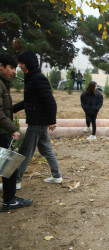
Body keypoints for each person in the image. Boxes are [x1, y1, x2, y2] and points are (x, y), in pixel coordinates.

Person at [13, 50, 63, 187]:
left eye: (21, 63)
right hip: (38, 120)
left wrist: (52, 120)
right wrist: (13, 109)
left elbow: (50, 101)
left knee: (25, 151)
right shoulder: (31, 78)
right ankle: (57, 175)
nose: (19, 66)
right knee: (46, 149)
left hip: (37, 121)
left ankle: (15, 181)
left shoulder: (38, 78)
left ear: (27, 63)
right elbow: (28, 101)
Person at [0, 53, 33, 212]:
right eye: (11, 68)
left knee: (8, 165)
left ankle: (9, 198)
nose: (14, 71)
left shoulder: (3, 83)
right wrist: (12, 129)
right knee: (9, 166)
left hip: (3, 131)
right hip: (2, 132)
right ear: (1, 66)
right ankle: (9, 200)